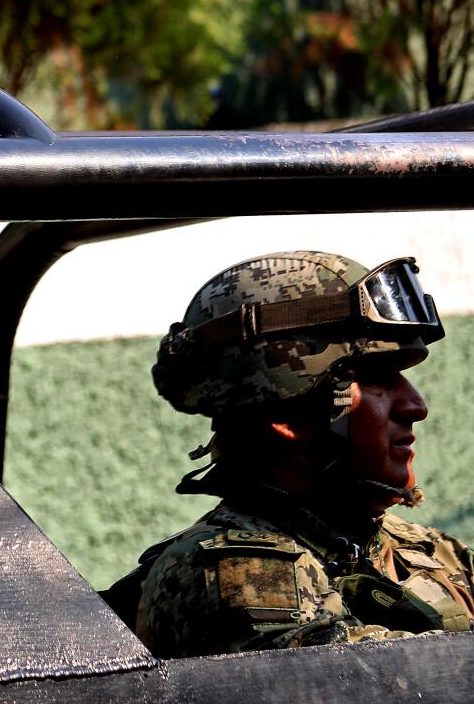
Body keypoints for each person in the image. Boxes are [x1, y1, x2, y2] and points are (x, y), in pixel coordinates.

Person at [110, 250, 474, 655]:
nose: (415, 406)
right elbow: (403, 680)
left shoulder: (430, 551)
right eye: (377, 378)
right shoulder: (230, 575)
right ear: (287, 413)